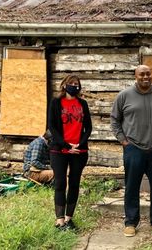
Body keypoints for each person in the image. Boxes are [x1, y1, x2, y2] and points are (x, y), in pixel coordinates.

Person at [110, 64, 152, 237]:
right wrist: (123, 140)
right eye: (141, 75)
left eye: (148, 74)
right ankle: (131, 222)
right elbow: (115, 120)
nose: (145, 77)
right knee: (132, 186)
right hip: (134, 149)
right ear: (135, 76)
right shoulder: (124, 96)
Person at [48, 75, 92, 230]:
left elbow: (89, 127)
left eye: (77, 84)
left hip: (79, 150)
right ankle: (59, 220)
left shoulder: (82, 104)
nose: (74, 86)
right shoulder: (56, 102)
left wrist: (79, 144)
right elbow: (52, 126)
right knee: (60, 183)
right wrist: (66, 145)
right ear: (64, 85)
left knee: (74, 183)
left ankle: (68, 219)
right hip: (59, 150)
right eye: (71, 83)